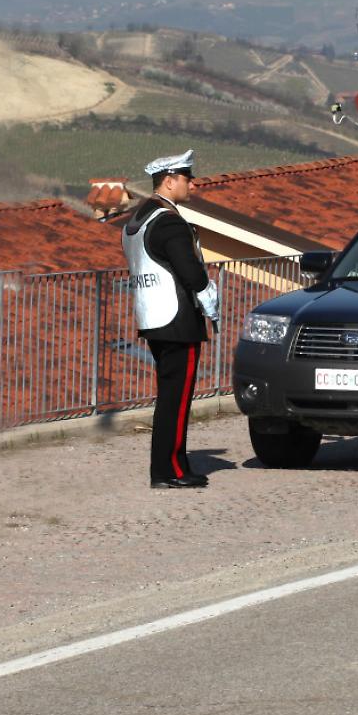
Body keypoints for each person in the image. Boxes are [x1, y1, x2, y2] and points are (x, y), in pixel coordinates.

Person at [122, 149, 219, 489]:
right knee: (176, 401)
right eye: (187, 178)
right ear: (169, 181)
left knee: (168, 397)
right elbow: (190, 271)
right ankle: (172, 471)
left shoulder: (138, 218)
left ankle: (165, 467)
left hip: (152, 317)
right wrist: (208, 294)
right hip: (178, 320)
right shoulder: (169, 221)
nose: (192, 184)